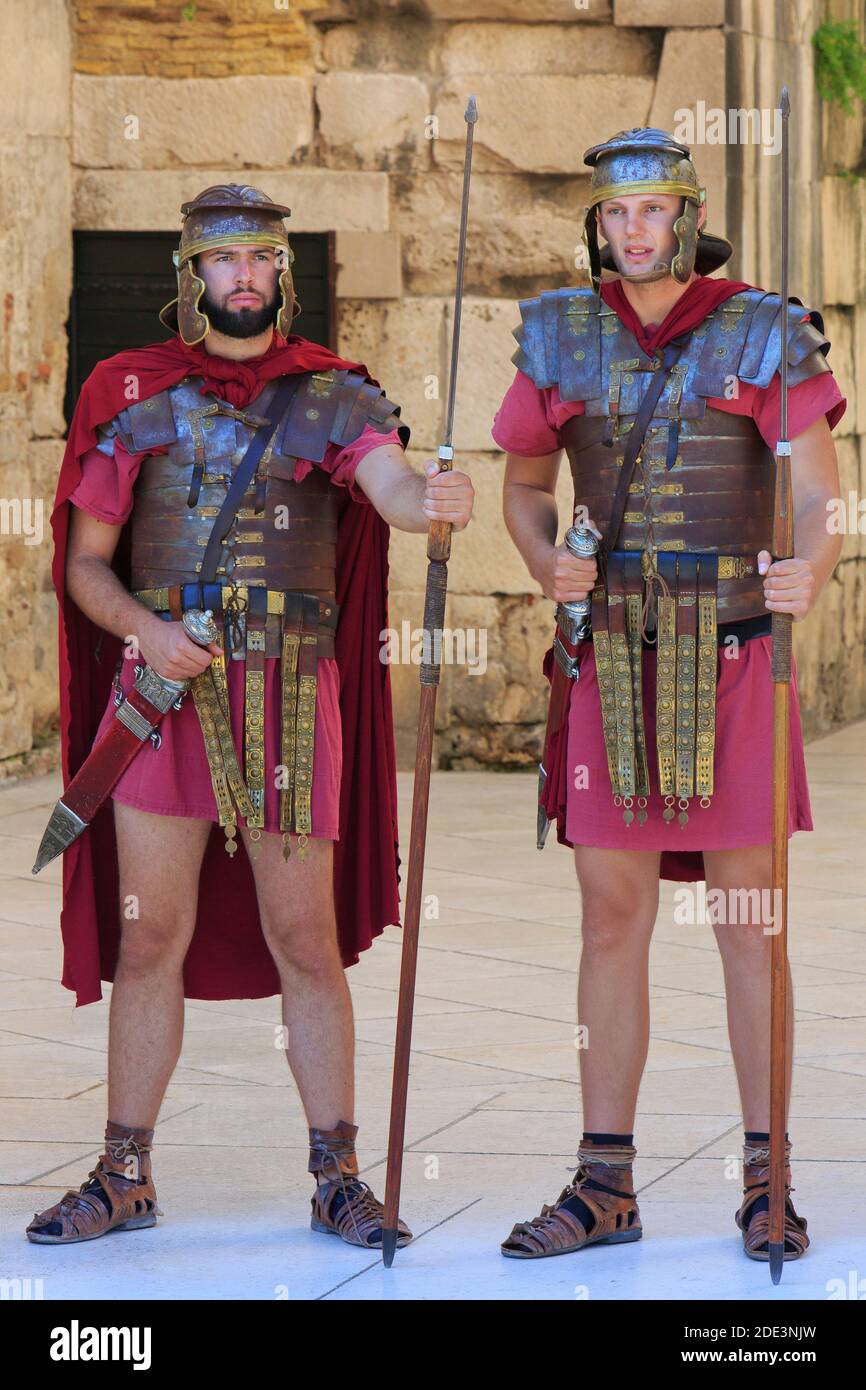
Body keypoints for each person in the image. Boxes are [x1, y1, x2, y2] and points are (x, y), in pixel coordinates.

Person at [27, 184, 474, 1250]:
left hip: (289, 688)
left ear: (283, 274)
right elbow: (86, 565)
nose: (243, 279)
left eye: (261, 261)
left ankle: (336, 1174)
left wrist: (432, 503)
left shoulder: (331, 395)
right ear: (192, 278)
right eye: (223, 263)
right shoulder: (127, 391)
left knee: (304, 938)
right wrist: (142, 626)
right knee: (152, 939)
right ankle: (125, 1169)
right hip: (164, 699)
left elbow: (391, 487)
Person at [492, 129, 844, 1263]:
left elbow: (817, 493)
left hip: (738, 652)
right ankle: (604, 1184)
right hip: (612, 653)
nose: (631, 231)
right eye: (614, 214)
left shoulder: (764, 332)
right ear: (596, 225)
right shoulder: (559, 334)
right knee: (610, 917)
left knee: (748, 925)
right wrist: (545, 558)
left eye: (652, 211)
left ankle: (767, 1174)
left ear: (686, 217)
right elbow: (521, 481)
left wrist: (812, 566)